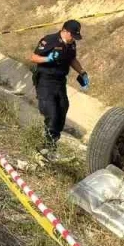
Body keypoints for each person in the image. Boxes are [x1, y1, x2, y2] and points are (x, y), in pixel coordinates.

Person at [30, 19, 90, 154]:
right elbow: (33, 57)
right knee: (51, 112)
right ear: (64, 31)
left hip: (60, 81)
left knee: (63, 108)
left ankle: (52, 142)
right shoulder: (50, 40)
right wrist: (48, 59)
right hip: (45, 80)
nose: (73, 39)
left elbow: (72, 59)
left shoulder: (71, 44)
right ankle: (46, 146)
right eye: (72, 35)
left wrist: (82, 72)